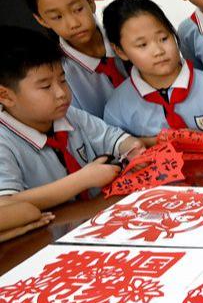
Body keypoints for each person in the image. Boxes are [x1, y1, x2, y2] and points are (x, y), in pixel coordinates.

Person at [0, 26, 142, 210]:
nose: (61, 93)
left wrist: (132, 148)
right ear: (5, 96)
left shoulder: (68, 115)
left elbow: (112, 138)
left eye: (62, 80)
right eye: (45, 86)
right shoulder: (4, 142)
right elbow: (6, 205)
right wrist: (83, 180)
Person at [101, 0, 203, 142]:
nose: (158, 51)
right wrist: (151, 143)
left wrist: (202, 140)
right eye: (142, 45)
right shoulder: (117, 107)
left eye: (164, 38)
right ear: (120, 51)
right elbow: (116, 149)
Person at [23, 0, 128, 117]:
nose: (73, 24)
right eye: (57, 17)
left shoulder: (125, 36)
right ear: (41, 20)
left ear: (91, 2)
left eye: (78, 9)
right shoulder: (57, 73)